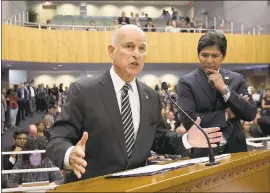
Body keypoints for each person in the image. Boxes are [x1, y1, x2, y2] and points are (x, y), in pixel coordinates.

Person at [46, 25, 222, 183]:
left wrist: (187, 140)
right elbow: (57, 139)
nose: (136, 53)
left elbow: (158, 140)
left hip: (137, 186)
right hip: (93, 185)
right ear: (111, 51)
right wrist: (70, 155)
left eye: (142, 48)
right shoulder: (84, 90)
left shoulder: (151, 96)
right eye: (129, 46)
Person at [177, 31, 257, 158]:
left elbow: (250, 113)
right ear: (198, 55)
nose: (209, 61)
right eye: (204, 55)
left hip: (236, 149)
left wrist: (224, 89)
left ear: (223, 56)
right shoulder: (186, 82)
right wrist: (226, 115)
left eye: (214, 56)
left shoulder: (237, 79)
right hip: (203, 151)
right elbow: (189, 119)